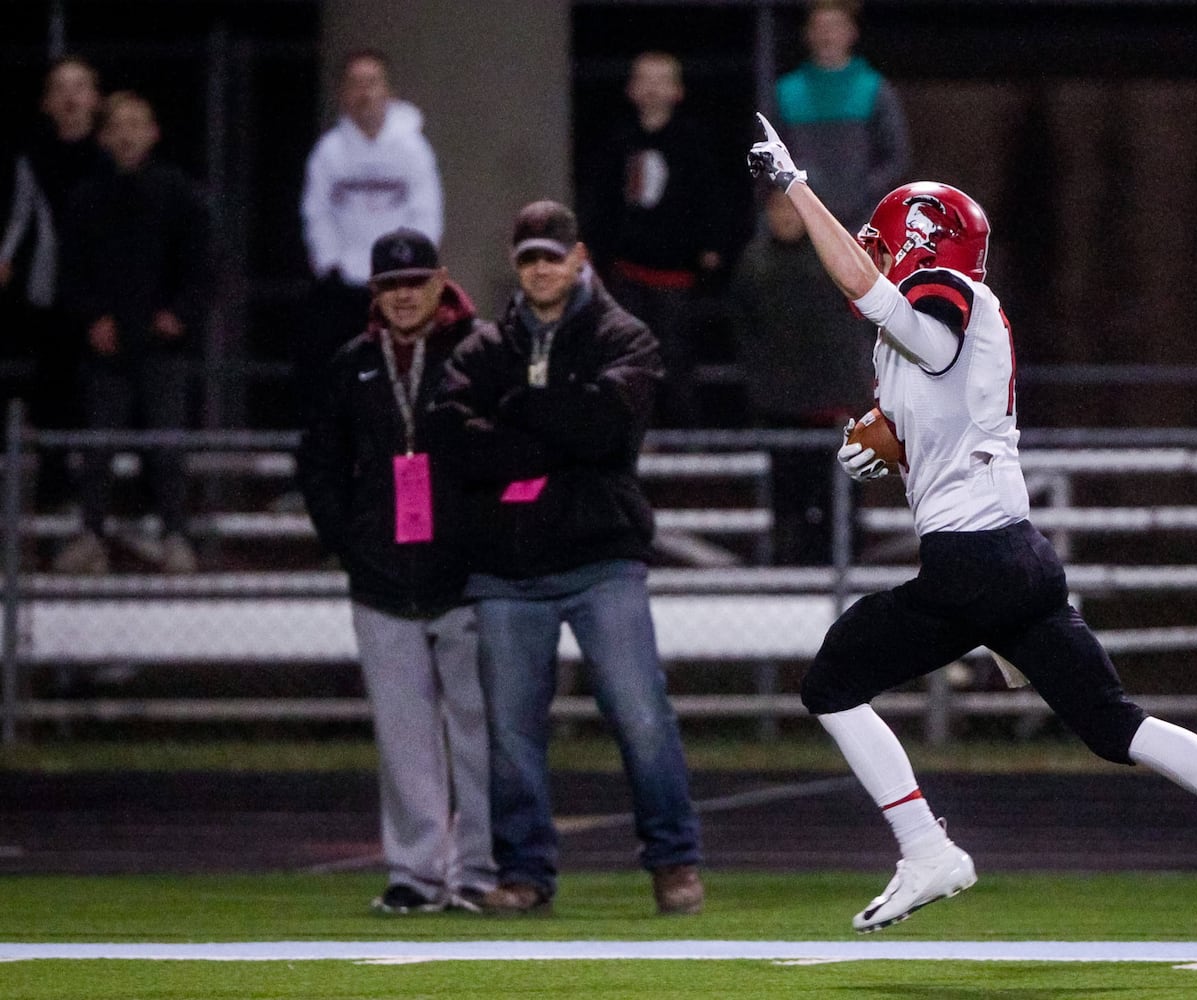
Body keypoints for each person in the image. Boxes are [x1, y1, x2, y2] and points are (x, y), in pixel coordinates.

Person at [745, 113, 1197, 934]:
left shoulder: (952, 301)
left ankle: (926, 848)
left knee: (831, 684)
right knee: (1112, 724)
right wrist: (889, 451)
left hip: (975, 560)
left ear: (916, 245)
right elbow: (936, 424)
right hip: (1011, 556)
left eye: (886, 243)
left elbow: (863, 287)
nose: (874, 255)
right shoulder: (924, 331)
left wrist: (796, 187)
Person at [437, 200, 704, 916]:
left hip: (599, 560)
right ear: (515, 263)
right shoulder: (480, 349)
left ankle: (673, 861)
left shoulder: (624, 337)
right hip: (505, 568)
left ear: (578, 257)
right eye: (528, 258)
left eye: (551, 256)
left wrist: (519, 411)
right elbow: (460, 447)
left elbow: (605, 433)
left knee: (640, 716)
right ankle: (525, 875)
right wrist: (561, 423)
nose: (540, 269)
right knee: (510, 736)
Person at [297, 228, 496, 915]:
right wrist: (348, 541)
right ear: (374, 293)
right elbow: (319, 462)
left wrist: (486, 540)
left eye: (414, 282)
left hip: (464, 572)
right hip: (381, 574)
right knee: (403, 735)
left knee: (478, 732)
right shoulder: (352, 361)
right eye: (390, 286)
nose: (403, 296)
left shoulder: (479, 352)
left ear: (440, 281)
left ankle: (477, 872)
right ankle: (415, 872)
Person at [54, 91, 211, 575]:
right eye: (117, 126)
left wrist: (178, 314)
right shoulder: (84, 198)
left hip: (162, 344)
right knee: (98, 448)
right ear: (103, 137)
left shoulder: (178, 192)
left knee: (166, 447)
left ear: (154, 132)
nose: (126, 134)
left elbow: (201, 265)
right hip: (106, 346)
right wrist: (92, 319)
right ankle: (91, 537)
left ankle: (175, 535)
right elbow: (72, 272)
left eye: (136, 123)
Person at [579, 51, 728, 428]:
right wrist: (596, 250)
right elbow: (600, 201)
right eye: (645, 79)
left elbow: (711, 195)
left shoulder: (693, 141)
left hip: (676, 274)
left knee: (677, 359)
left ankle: (685, 439)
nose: (653, 88)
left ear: (678, 91)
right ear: (630, 89)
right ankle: (630, 434)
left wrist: (712, 245)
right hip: (627, 270)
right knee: (627, 359)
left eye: (662, 80)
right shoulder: (617, 141)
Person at [298, 48, 443, 421]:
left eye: (372, 83)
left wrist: (413, 270)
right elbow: (316, 213)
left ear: (388, 91)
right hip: (344, 289)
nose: (364, 94)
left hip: (400, 288)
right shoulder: (328, 153)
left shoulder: (413, 149)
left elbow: (427, 211)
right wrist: (330, 264)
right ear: (343, 94)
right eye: (355, 85)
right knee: (340, 386)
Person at [731, 188, 873, 564]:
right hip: (780, 408)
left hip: (836, 408)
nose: (786, 217)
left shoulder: (835, 258)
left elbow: (857, 327)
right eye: (778, 209)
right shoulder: (754, 263)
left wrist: (852, 392)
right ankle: (788, 573)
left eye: (793, 209)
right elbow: (744, 327)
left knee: (839, 499)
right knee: (787, 501)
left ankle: (845, 573)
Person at [0, 55, 107, 511]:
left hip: (103, 296)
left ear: (95, 98)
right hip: (50, 295)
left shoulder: (108, 155)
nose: (70, 97)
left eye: (80, 86)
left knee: (102, 398)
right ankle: (53, 496)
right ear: (46, 102)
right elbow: (21, 219)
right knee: (52, 395)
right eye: (60, 88)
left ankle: (108, 504)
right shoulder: (34, 157)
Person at [772, 0, 911, 234]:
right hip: (802, 224)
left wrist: (860, 191)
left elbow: (896, 158)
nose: (827, 35)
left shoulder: (874, 89)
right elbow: (768, 159)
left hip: (863, 221)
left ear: (852, 32)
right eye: (820, 27)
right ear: (807, 33)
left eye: (835, 26)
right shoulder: (785, 92)